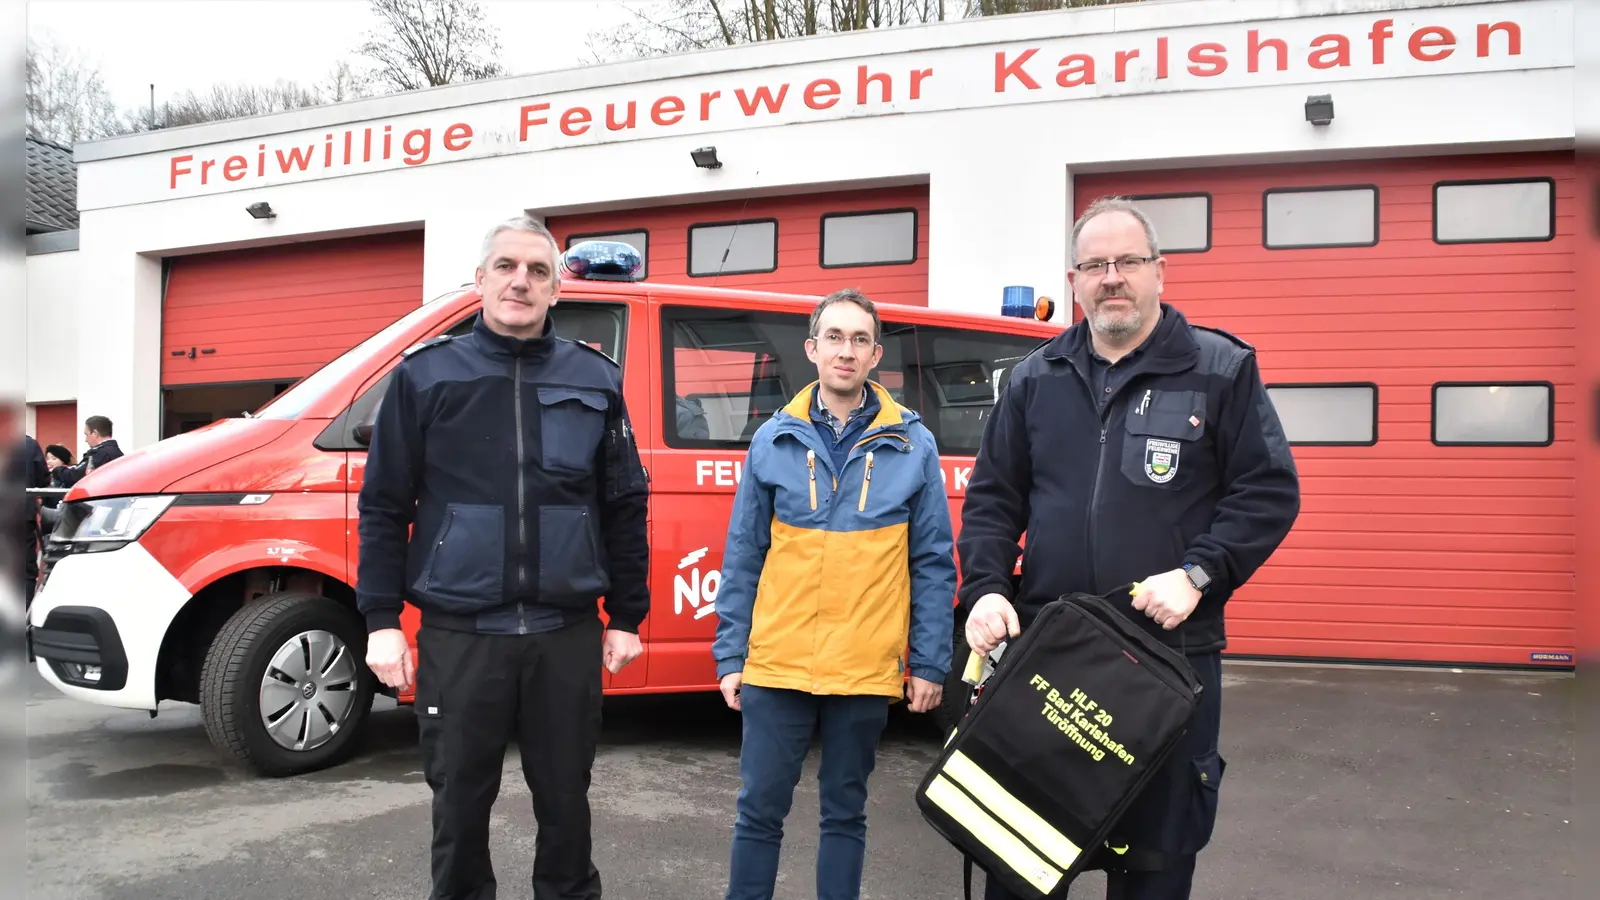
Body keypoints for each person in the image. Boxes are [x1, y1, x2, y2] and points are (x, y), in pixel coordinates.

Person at [957, 196, 1301, 900]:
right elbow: (994, 500)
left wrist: (1200, 573)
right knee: (1018, 853)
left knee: (1153, 861)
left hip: (1169, 657)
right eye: (1095, 265)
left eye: (1128, 262)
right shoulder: (1034, 379)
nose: (1112, 277)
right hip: (1049, 658)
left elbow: (1266, 491)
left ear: (1159, 272)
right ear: (1075, 279)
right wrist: (986, 588)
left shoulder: (1220, 369)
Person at [356, 215, 651, 900]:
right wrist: (379, 618)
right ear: (481, 279)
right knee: (458, 814)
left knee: (566, 811)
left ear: (556, 290)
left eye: (538, 271)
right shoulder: (426, 378)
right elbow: (383, 505)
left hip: (564, 637)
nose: (521, 281)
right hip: (463, 636)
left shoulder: (594, 378)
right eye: (507, 267)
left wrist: (627, 615)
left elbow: (623, 503)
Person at [712, 288, 957, 900]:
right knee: (759, 814)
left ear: (876, 355)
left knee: (844, 815)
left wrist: (929, 662)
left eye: (859, 340)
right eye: (834, 338)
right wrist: (732, 654)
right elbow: (743, 555)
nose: (845, 351)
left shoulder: (912, 444)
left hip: (864, 667)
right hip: (778, 663)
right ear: (812, 349)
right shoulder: (774, 439)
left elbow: (932, 562)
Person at [53, 416, 122, 488]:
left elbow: (75, 476)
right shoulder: (117, 453)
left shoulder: (99, 453)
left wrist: (57, 470)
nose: (86, 440)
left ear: (95, 433)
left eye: (86, 434)